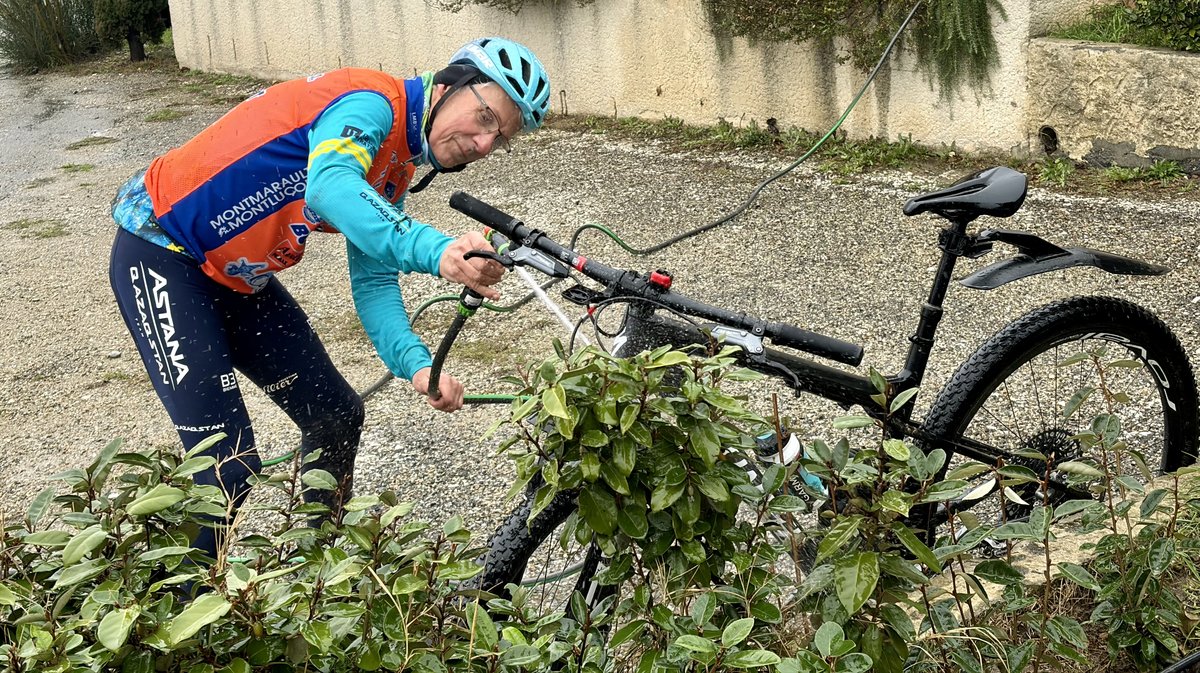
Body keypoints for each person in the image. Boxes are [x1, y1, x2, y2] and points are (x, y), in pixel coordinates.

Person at [108, 37, 551, 557]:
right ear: (450, 83)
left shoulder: (395, 169)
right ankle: (169, 621)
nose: (482, 144)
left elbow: (374, 280)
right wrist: (436, 250)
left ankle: (312, 583)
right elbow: (331, 186)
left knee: (336, 415)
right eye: (483, 116)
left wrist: (417, 366)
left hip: (236, 278)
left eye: (498, 139)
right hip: (161, 250)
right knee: (224, 462)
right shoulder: (370, 103)